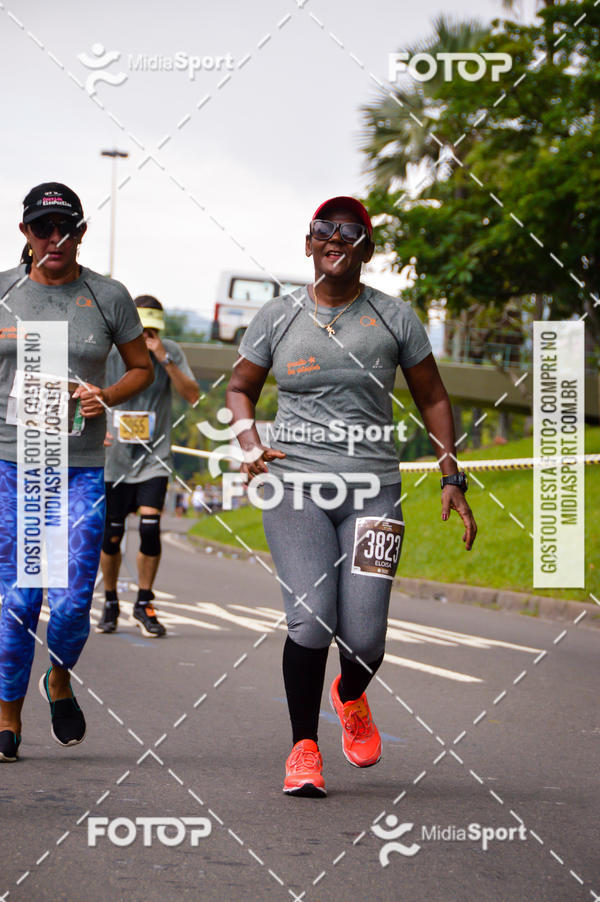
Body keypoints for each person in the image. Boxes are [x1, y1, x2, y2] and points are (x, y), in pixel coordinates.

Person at [226, 196, 477, 796]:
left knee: (364, 637)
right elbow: (240, 387)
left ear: (367, 247)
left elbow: (433, 397)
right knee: (312, 619)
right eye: (323, 228)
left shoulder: (394, 317)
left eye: (349, 230)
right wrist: (249, 441)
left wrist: (451, 475)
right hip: (294, 486)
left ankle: (351, 693)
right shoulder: (278, 316)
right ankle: (304, 748)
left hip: (373, 490)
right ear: (308, 243)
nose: (335, 237)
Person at [0, 182, 153, 762]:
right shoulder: (4, 292)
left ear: (82, 233)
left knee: (69, 603)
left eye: (65, 228)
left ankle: (59, 677)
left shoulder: (107, 296)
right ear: (25, 232)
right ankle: (7, 715)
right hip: (13, 463)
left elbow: (140, 368)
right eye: (43, 228)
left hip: (79, 467)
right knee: (19, 600)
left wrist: (104, 395)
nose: (54, 238)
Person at [97, 296, 199, 638]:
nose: (146, 337)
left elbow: (192, 395)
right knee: (111, 535)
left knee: (150, 528)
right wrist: (96, 431)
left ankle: (144, 602)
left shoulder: (170, 351)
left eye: (152, 331)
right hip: (114, 461)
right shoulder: (111, 353)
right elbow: (85, 390)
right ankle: (110, 600)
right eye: (142, 330)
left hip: (154, 459)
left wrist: (164, 358)